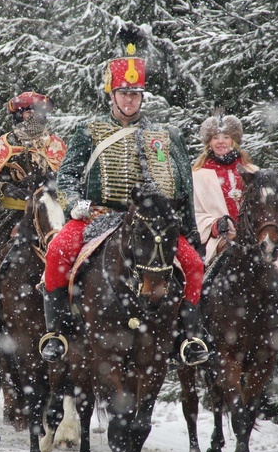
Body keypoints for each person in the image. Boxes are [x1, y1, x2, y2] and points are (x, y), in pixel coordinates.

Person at [38, 46, 210, 365]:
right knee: (58, 251)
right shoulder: (89, 131)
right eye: (123, 93)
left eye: (135, 94)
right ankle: (56, 333)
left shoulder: (164, 135)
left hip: (151, 221)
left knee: (194, 265)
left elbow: (184, 186)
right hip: (98, 216)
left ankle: (190, 336)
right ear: (112, 95)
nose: (130, 100)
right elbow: (67, 176)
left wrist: (189, 233)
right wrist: (74, 203)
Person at [192, 112, 278, 364]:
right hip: (219, 239)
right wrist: (216, 225)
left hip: (255, 238)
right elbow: (195, 212)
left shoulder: (255, 172)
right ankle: (196, 333)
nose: (221, 142)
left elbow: (268, 208)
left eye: (226, 137)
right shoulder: (198, 175)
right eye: (215, 138)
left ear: (234, 140)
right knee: (200, 278)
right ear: (208, 143)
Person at [0, 92, 67, 338]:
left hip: (46, 210)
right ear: (19, 115)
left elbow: (66, 179)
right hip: (11, 211)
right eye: (30, 112)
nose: (35, 116)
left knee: (67, 245)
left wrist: (48, 181)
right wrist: (5, 188)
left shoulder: (55, 145)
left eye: (39, 112)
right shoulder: (4, 144)